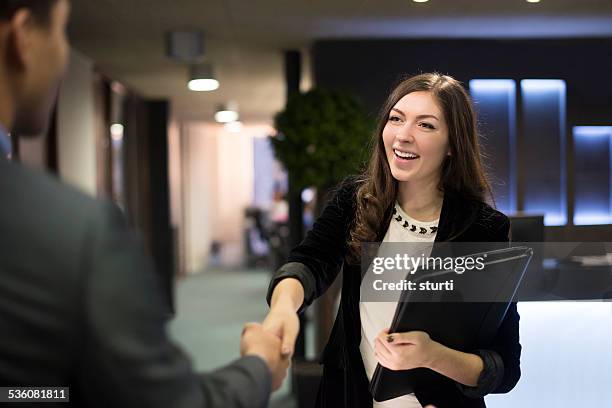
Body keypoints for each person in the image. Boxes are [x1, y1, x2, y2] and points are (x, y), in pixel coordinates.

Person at [0, 1, 288, 406]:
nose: (63, 55)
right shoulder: (77, 232)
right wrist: (259, 364)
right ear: (22, 35)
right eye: (62, 32)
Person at [263, 73, 520, 408]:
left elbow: (503, 368)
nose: (403, 135)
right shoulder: (355, 201)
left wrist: (432, 356)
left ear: (453, 145)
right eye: (396, 119)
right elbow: (311, 261)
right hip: (350, 395)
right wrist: (284, 307)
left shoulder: (484, 229)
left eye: (426, 125)